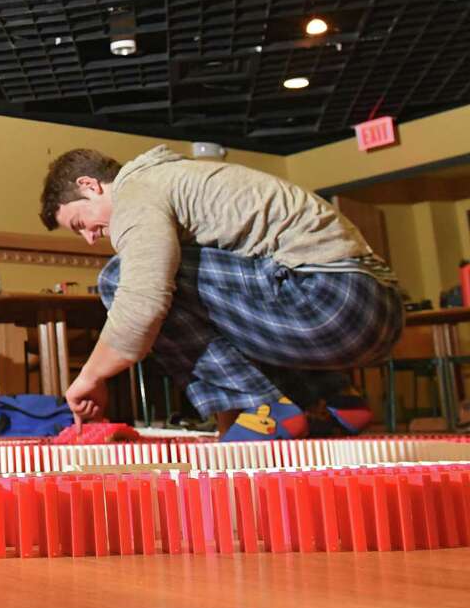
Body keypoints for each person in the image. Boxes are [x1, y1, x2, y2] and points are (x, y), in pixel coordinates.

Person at [39, 146, 401, 441]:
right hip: (378, 307)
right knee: (192, 285)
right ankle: (329, 397)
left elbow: (143, 302)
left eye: (80, 224)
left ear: (90, 185)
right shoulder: (177, 178)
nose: (90, 237)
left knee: (119, 278)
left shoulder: (137, 192)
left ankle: (260, 407)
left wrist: (91, 377)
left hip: (331, 299)